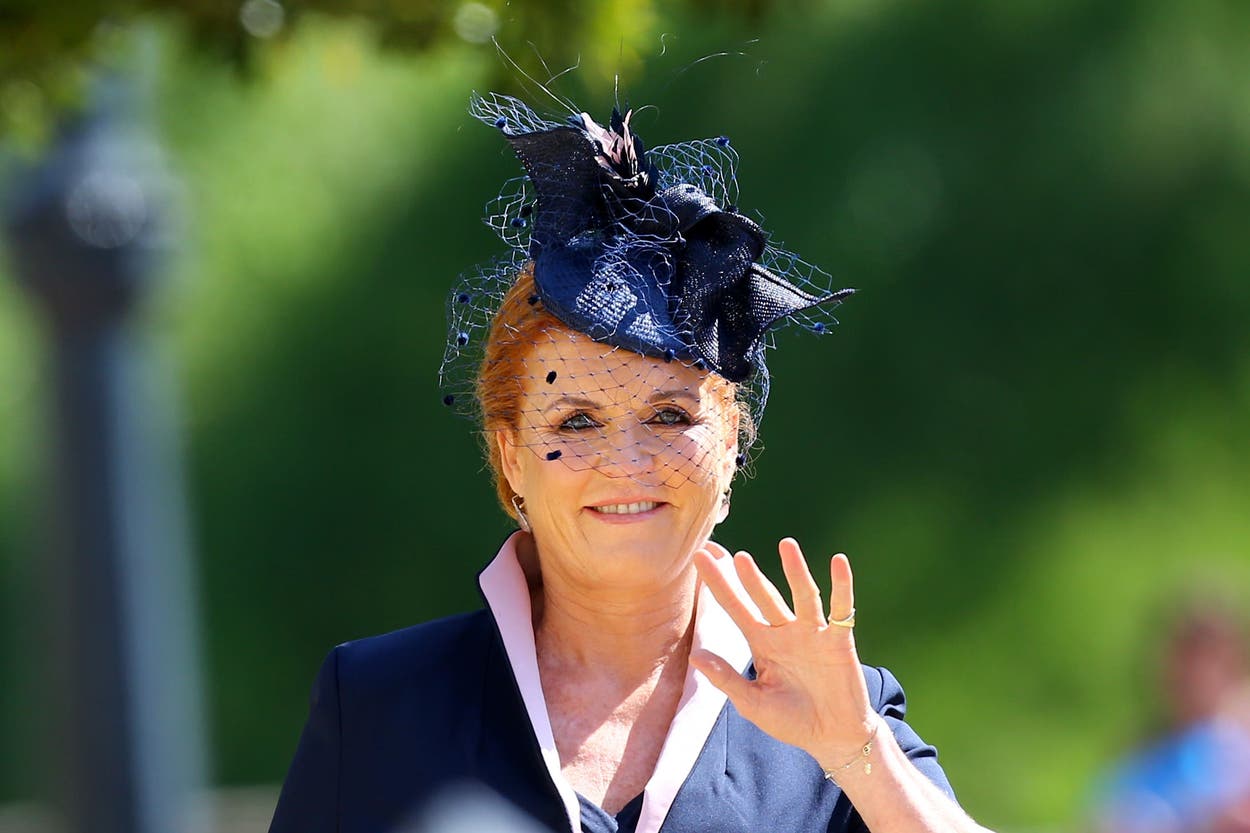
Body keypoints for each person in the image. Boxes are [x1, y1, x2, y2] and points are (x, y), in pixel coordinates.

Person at [268, 92, 993, 833]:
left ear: (732, 447)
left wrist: (856, 752)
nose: (626, 461)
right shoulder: (377, 703)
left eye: (670, 416)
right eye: (577, 421)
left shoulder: (839, 711)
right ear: (511, 460)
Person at [1093, 603, 1250, 833]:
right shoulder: (1141, 752)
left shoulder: (1238, 747)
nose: (1194, 675)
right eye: (1184, 659)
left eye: (1208, 660)